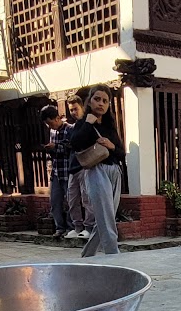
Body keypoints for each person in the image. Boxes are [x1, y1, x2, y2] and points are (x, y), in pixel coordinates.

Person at [68, 86, 125, 259]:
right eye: (97, 99)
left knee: (106, 217)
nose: (101, 103)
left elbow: (121, 153)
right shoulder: (83, 123)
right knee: (106, 218)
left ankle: (87, 256)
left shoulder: (110, 126)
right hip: (96, 170)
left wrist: (111, 145)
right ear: (90, 101)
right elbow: (75, 144)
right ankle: (114, 255)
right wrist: (88, 123)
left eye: (105, 101)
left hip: (114, 171)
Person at [41, 102, 75, 238]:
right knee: (55, 201)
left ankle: (72, 227)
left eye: (51, 123)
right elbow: (55, 151)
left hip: (68, 171)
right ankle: (59, 227)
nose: (50, 126)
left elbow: (71, 148)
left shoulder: (70, 129)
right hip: (56, 171)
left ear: (57, 118)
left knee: (71, 201)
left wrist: (55, 147)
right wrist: (51, 149)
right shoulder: (52, 131)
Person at [65, 94, 95, 241]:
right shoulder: (74, 126)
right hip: (73, 167)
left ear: (81, 107)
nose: (73, 112)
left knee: (86, 198)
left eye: (75, 109)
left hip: (84, 165)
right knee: (72, 199)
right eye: (71, 110)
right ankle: (77, 227)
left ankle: (88, 227)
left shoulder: (87, 123)